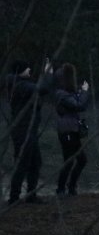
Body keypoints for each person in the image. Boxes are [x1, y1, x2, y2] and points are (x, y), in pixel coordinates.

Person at [5, 58, 53, 205]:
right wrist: (48, 73)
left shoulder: (20, 84)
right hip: (23, 131)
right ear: (20, 71)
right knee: (22, 165)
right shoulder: (21, 85)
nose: (29, 70)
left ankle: (31, 195)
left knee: (35, 162)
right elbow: (42, 88)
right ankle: (14, 198)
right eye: (27, 68)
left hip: (27, 130)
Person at [53, 63, 90, 196]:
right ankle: (61, 189)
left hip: (71, 129)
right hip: (67, 130)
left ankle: (70, 187)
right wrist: (85, 91)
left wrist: (81, 92)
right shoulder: (61, 94)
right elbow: (80, 106)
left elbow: (78, 102)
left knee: (81, 160)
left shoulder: (66, 93)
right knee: (69, 161)